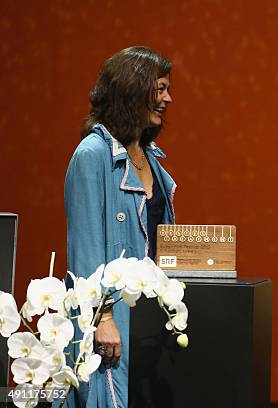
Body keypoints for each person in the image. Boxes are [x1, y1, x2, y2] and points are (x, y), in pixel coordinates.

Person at [64, 46, 176, 407]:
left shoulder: (153, 160)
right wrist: (103, 317)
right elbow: (86, 249)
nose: (168, 98)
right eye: (159, 89)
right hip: (112, 326)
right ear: (133, 89)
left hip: (149, 325)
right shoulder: (92, 155)